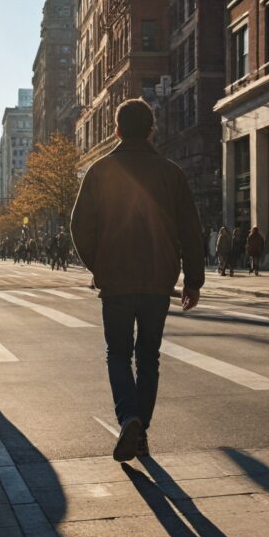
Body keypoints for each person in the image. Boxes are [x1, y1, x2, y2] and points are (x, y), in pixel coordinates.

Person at [70, 98, 204, 462]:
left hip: (115, 281)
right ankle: (139, 427)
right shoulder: (171, 172)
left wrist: (97, 265)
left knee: (118, 354)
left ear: (116, 130)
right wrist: (193, 280)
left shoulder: (100, 171)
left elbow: (78, 226)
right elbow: (191, 231)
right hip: (158, 280)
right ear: (151, 130)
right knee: (149, 357)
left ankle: (128, 418)